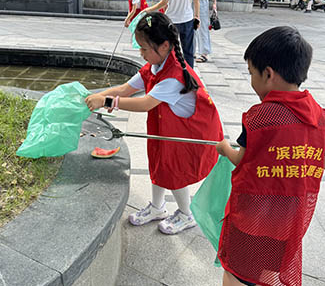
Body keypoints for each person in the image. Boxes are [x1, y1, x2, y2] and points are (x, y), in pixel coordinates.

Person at [195, 26, 325, 286]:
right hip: (288, 217)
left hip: (252, 214)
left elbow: (241, 157)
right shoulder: (321, 117)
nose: (251, 80)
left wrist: (223, 148)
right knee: (268, 265)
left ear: (268, 74)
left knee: (236, 269)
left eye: (251, 73)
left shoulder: (260, 118)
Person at [85, 12, 223, 235]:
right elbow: (125, 89)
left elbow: (145, 103)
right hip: (169, 126)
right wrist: (94, 96)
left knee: (175, 171)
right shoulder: (155, 66)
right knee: (159, 163)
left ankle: (186, 215)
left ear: (164, 46)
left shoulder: (173, 76)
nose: (141, 54)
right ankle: (158, 208)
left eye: (144, 48)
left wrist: (107, 101)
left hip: (190, 131)